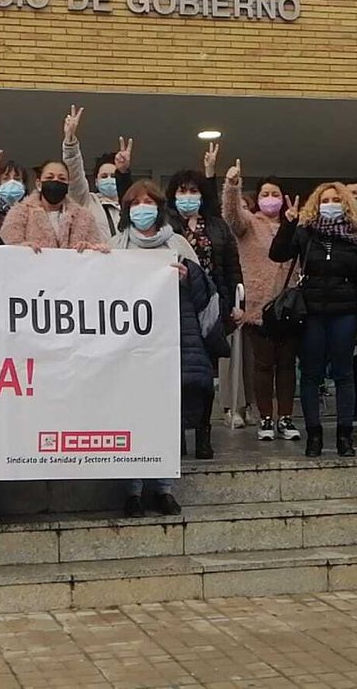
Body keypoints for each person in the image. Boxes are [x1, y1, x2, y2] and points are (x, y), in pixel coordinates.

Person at [110, 180, 223, 517]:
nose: (142, 208)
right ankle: (132, 489)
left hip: (169, 344)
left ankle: (163, 488)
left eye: (148, 202)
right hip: (129, 346)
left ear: (159, 207)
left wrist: (188, 278)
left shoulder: (177, 244)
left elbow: (207, 289)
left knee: (164, 417)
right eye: (135, 202)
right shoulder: (116, 244)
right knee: (131, 415)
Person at [269, 183, 357, 457]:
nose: (330, 203)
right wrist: (288, 223)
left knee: (344, 373)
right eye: (325, 199)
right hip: (312, 312)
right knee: (311, 373)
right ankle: (314, 435)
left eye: (336, 199)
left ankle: (344, 435)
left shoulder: (355, 235)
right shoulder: (306, 232)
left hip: (345, 312)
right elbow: (278, 254)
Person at [165, 156, 242, 459]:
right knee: (180, 373)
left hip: (212, 305)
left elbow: (232, 267)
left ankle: (204, 433)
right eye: (182, 191)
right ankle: (179, 433)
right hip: (177, 309)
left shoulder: (218, 226)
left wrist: (237, 304)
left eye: (193, 191)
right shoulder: (167, 225)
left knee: (206, 374)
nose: (187, 197)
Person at [222, 160, 299, 442]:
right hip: (258, 307)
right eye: (265, 194)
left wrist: (293, 222)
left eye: (275, 194)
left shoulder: (294, 224)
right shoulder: (249, 224)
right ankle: (265, 417)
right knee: (263, 365)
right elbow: (231, 216)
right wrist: (232, 186)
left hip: (289, 305)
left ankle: (287, 417)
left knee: (288, 365)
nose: (270, 199)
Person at [0, 158, 105, 251]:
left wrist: (89, 248)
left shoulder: (84, 217)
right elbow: (10, 246)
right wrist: (21, 248)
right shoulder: (19, 213)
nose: (55, 181)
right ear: (39, 184)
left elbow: (96, 247)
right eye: (50, 178)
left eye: (62, 178)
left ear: (68, 185)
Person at [60, 106, 123, 239]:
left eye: (114, 176)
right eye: (104, 176)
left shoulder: (132, 205)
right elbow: (75, 174)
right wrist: (70, 142)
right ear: (96, 181)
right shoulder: (87, 201)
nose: (110, 179)